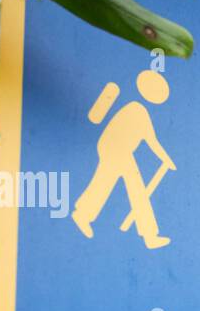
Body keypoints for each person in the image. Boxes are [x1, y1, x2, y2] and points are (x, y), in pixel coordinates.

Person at [72, 70, 176, 249]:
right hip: (115, 150)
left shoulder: (136, 109)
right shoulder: (137, 110)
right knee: (133, 188)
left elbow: (150, 140)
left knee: (109, 183)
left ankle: (83, 213)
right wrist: (166, 159)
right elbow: (152, 141)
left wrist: (167, 159)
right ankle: (149, 235)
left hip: (117, 151)